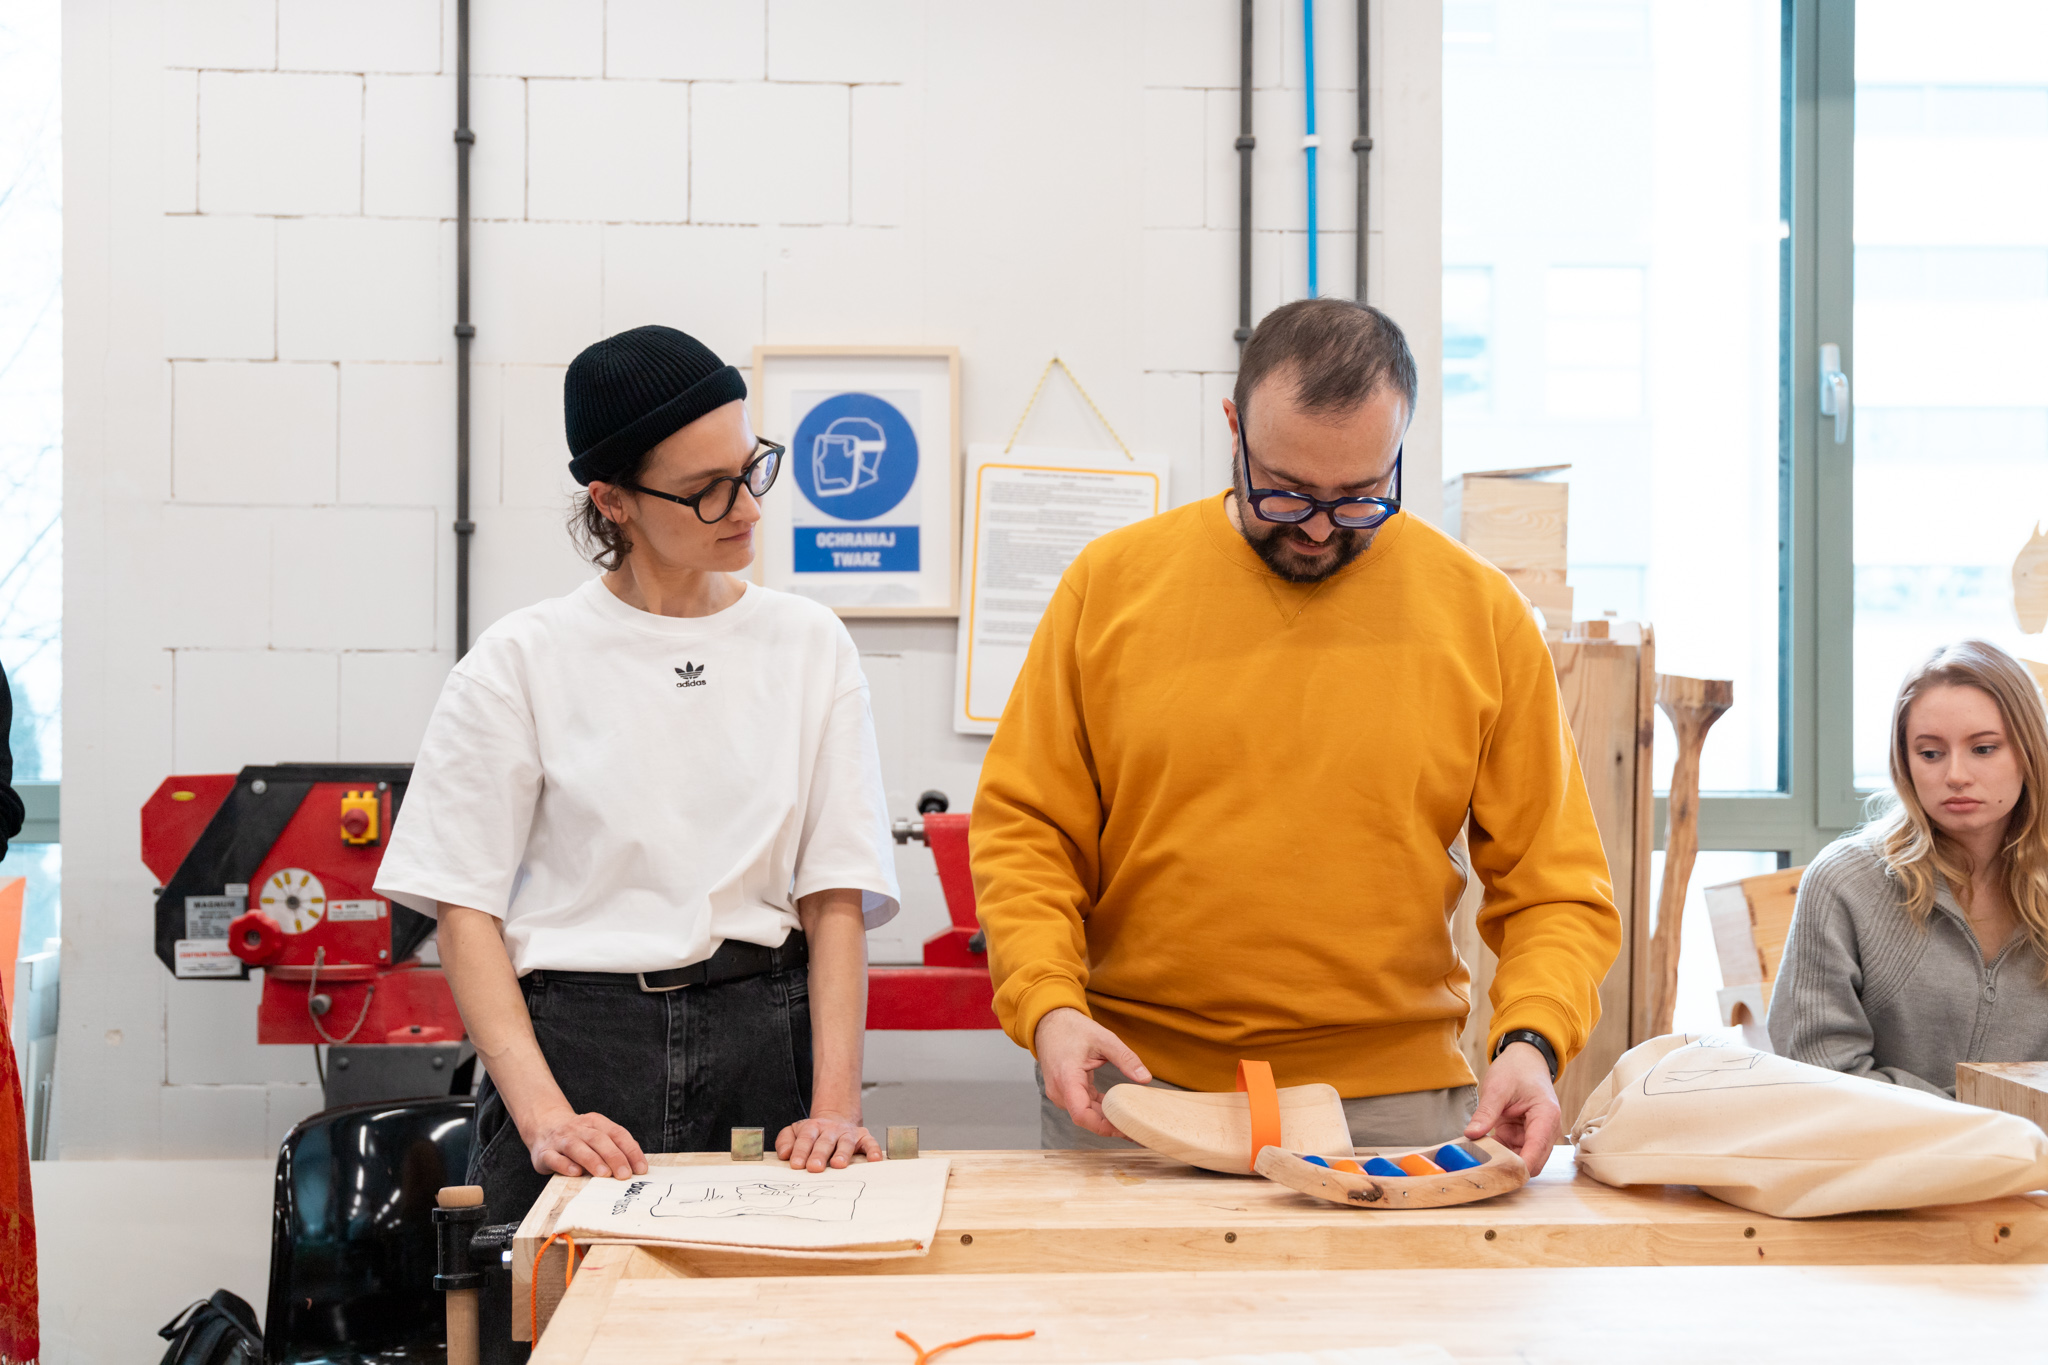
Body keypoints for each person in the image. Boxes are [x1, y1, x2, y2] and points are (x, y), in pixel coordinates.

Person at [972, 299, 1621, 1173]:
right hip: (1138, 1093)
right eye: (1285, 491)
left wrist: (1531, 1043)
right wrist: (1048, 1005)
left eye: (1359, 498)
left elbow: (1556, 887)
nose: (1318, 526)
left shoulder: (1483, 615)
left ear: (1400, 450)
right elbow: (1027, 832)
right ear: (1234, 427)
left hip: (1395, 1113)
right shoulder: (1110, 587)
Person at [376, 325, 901, 1226]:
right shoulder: (520, 660)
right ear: (611, 499)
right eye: (705, 492)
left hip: (762, 1030)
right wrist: (543, 1115)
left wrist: (835, 1104)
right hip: (579, 1048)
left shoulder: (808, 643)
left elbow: (835, 893)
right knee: (557, 1332)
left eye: (751, 468)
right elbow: (463, 909)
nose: (746, 507)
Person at [1769, 639, 2048, 1093]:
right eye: (1930, 753)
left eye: (1983, 748)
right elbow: (1817, 1073)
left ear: (2029, 751)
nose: (1955, 775)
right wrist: (1975, 1121)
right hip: (1884, 1158)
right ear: (1905, 760)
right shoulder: (1845, 882)